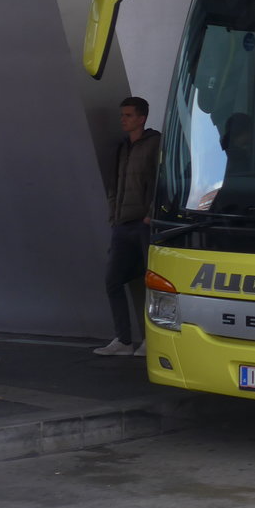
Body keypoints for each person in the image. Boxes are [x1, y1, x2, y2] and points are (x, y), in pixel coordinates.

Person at [93, 97, 161, 357]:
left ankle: (151, 340)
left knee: (152, 284)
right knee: (112, 280)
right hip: (123, 224)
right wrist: (114, 215)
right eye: (122, 115)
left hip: (144, 224)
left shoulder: (155, 143)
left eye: (128, 115)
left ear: (142, 118)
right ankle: (123, 340)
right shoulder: (122, 147)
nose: (123, 119)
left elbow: (163, 180)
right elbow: (115, 184)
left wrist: (150, 214)